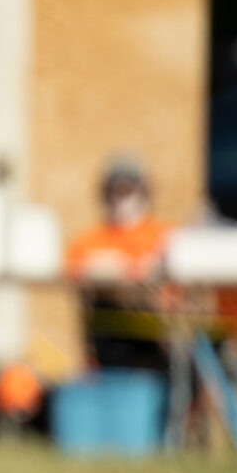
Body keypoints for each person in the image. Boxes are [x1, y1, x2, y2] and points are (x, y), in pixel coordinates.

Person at [67, 154, 171, 372]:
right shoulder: (90, 240)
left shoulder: (163, 235)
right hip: (109, 333)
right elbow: (71, 268)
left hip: (156, 329)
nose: (122, 199)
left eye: (128, 191)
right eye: (116, 192)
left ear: (143, 193)